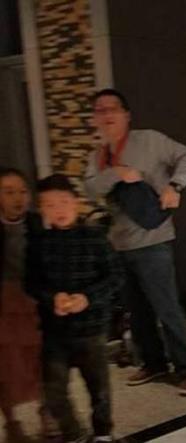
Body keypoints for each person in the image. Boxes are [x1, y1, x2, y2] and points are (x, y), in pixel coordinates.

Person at [84, 89, 186, 395]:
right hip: (119, 244)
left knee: (167, 308)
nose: (106, 115)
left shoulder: (150, 140)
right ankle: (153, 363)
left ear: (126, 114)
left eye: (112, 108)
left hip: (153, 240)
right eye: (99, 110)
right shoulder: (97, 155)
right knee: (137, 313)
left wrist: (175, 186)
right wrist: (117, 173)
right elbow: (90, 189)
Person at [25, 174, 124, 443]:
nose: (58, 209)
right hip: (54, 331)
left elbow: (116, 276)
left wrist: (87, 298)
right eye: (49, 204)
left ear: (76, 202)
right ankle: (73, 434)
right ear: (41, 209)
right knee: (54, 391)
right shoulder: (39, 242)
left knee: (99, 389)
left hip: (92, 330)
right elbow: (31, 282)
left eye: (63, 201)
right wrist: (52, 298)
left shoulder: (95, 237)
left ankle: (102, 433)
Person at [0, 168, 47, 442]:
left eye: (22, 191)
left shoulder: (36, 222)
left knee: (39, 359)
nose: (18, 198)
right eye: (9, 192)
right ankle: (12, 424)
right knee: (5, 365)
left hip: (33, 299)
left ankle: (46, 413)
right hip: (3, 303)